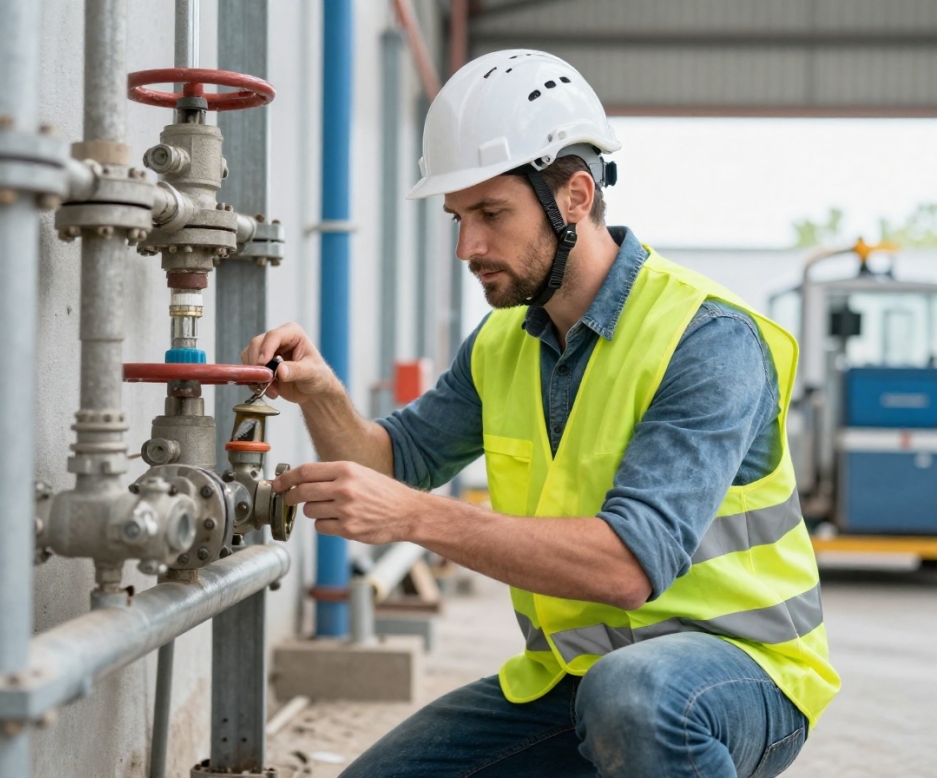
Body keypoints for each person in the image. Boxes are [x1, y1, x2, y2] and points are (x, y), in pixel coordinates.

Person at [243, 49, 839, 778]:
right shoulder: (503, 342)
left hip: (736, 675)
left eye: (492, 214)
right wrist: (321, 394)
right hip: (575, 678)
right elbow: (388, 464)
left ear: (576, 197)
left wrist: (413, 518)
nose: (469, 246)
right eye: (458, 217)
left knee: (639, 699)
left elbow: (628, 566)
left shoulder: (708, 339)